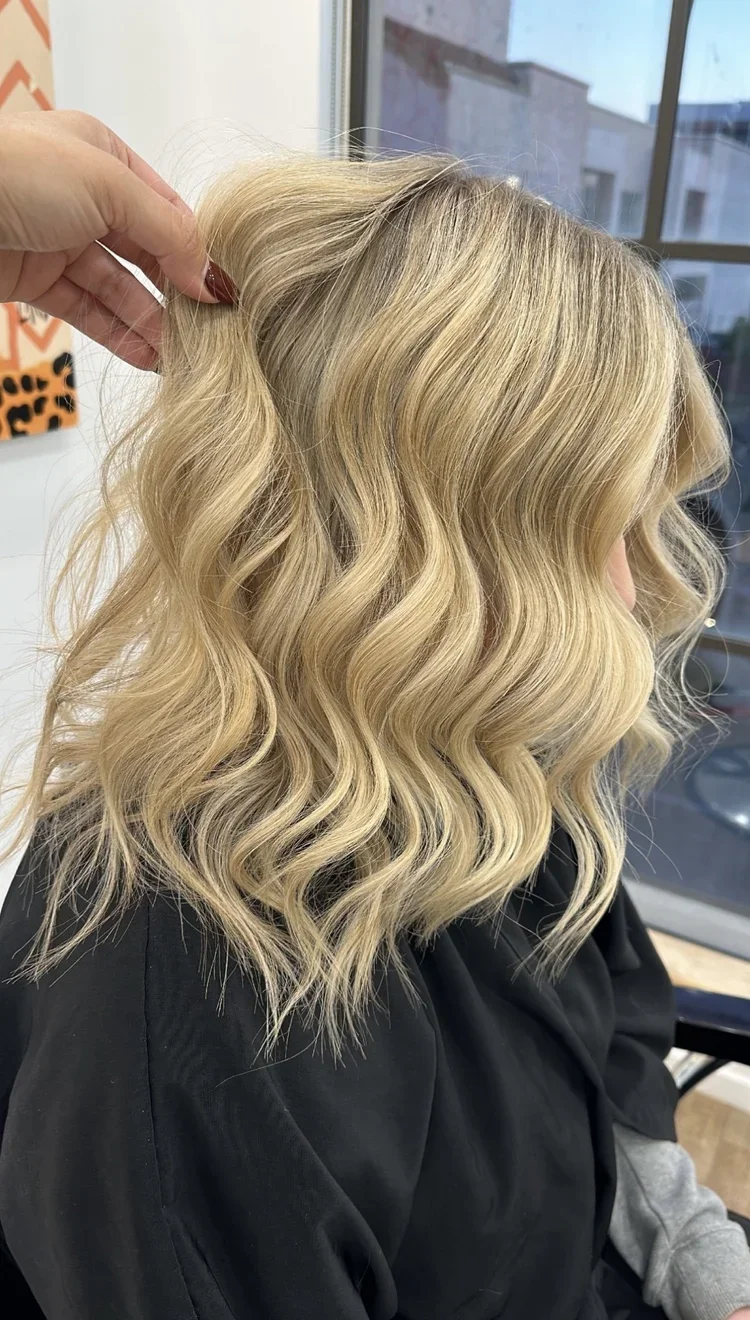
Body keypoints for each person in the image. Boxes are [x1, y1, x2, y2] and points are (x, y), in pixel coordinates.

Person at [0, 110, 748, 1320]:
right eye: (602, 529)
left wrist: (683, 1240)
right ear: (444, 554)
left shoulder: (494, 759)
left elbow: (615, 1022)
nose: (636, 586)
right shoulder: (178, 1005)